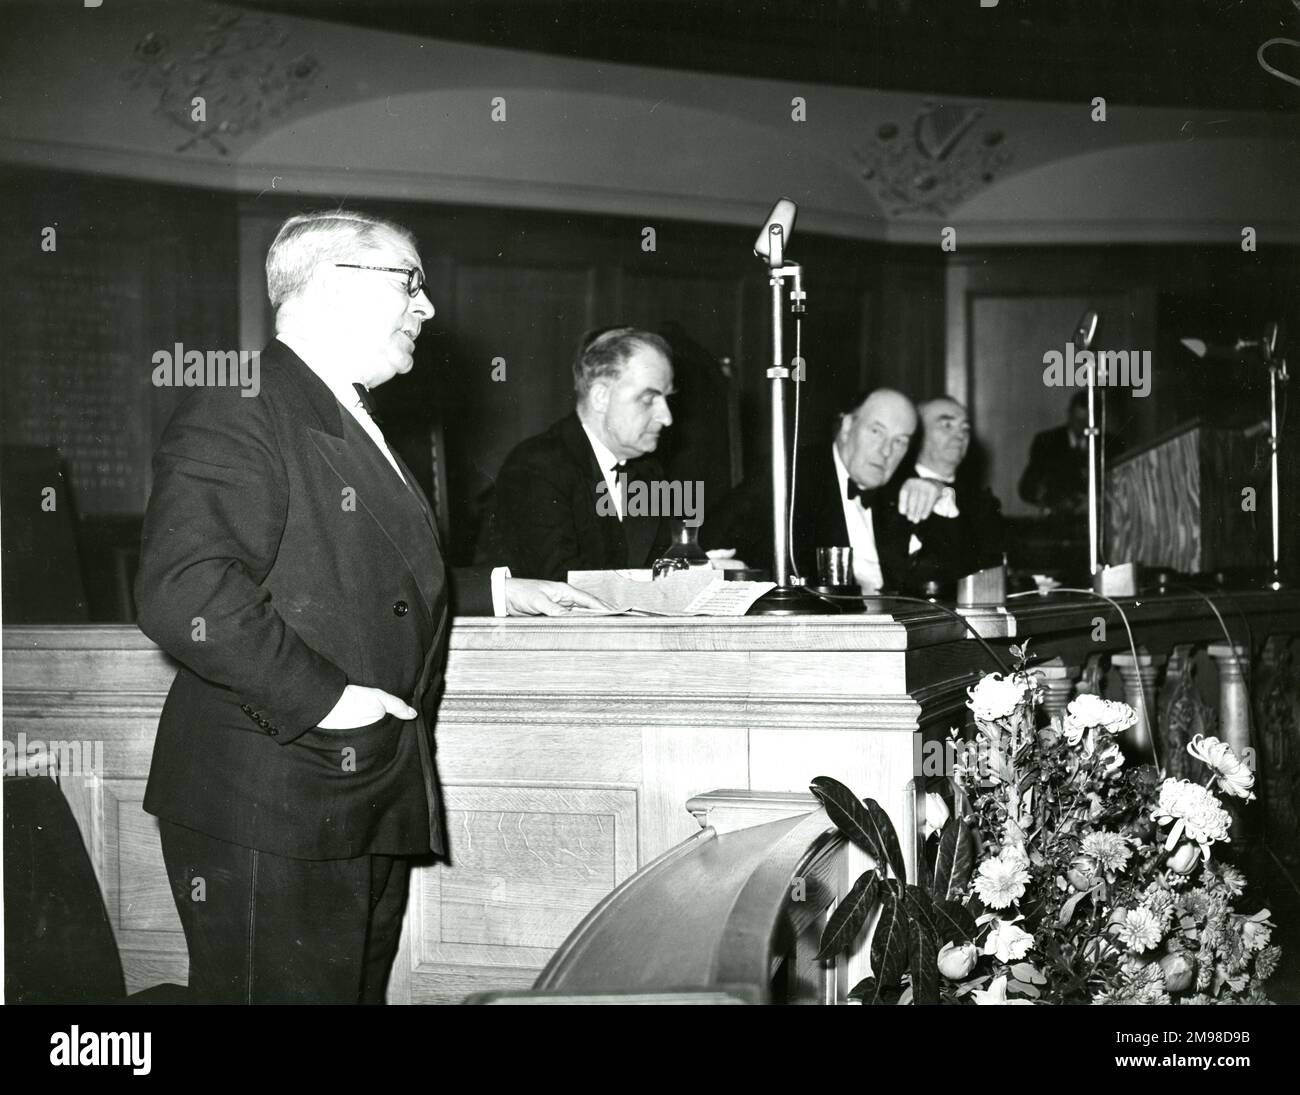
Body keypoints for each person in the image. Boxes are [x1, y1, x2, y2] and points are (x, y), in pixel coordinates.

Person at [133, 210, 604, 1004]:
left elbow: (350, 567)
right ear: (330, 285)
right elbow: (183, 588)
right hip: (274, 795)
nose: (426, 307)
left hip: (351, 791)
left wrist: (490, 587)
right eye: (409, 283)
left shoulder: (341, 406)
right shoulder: (244, 401)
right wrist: (330, 700)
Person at [489, 327, 731, 580]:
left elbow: (655, 563)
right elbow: (562, 585)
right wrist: (677, 574)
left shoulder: (647, 471)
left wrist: (702, 569)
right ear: (601, 397)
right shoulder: (535, 467)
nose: (667, 418)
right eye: (649, 399)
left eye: (667, 400)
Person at [705, 388, 945, 593]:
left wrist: (941, 491)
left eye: (900, 441)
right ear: (848, 425)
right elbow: (716, 537)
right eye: (876, 432)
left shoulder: (904, 487)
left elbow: (955, 562)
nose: (886, 451)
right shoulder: (793, 472)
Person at [890, 396, 1005, 595]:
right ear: (917, 435)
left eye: (965, 428)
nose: (960, 435)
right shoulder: (892, 493)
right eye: (947, 425)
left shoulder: (981, 501)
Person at [1018, 390, 1123, 518]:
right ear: (1069, 415)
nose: (1082, 428)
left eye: (1088, 423)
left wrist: (1099, 501)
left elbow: (1121, 488)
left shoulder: (1112, 445)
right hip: (1058, 522)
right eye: (1078, 421)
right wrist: (1054, 501)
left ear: (1098, 421)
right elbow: (1028, 488)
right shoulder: (1046, 442)